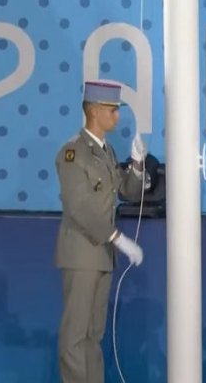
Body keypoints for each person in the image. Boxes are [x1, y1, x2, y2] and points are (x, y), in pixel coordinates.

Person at [55, 81, 148, 383]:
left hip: (102, 255)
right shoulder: (73, 152)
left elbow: (128, 192)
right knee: (75, 335)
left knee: (94, 334)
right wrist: (117, 238)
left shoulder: (106, 151)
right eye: (112, 110)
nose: (116, 117)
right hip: (83, 251)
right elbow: (78, 206)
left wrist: (135, 165)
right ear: (93, 110)